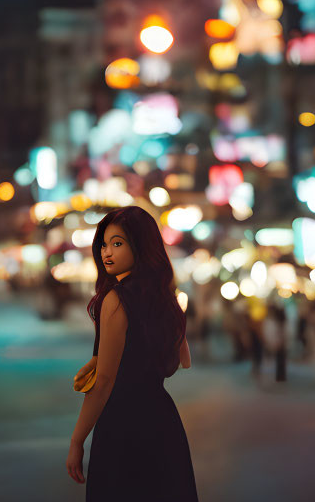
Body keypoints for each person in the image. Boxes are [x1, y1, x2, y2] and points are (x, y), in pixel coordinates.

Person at [66, 207, 199, 501]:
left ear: (140, 245)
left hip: (123, 426)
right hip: (163, 422)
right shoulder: (165, 297)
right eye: (103, 244)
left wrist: (77, 441)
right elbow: (184, 361)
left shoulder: (115, 299)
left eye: (117, 243)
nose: (106, 253)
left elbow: (103, 382)